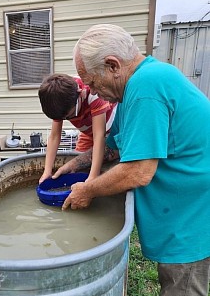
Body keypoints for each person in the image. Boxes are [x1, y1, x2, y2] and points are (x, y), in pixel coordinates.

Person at [53, 24, 210, 296]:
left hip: (191, 215)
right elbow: (114, 147)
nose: (91, 91)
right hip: (179, 204)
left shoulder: (146, 86)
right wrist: (74, 165)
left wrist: (86, 190)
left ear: (113, 65)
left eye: (91, 82)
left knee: (181, 285)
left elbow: (138, 171)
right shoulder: (133, 88)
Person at [38, 73, 117, 183]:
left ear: (80, 94)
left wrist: (93, 177)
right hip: (87, 132)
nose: (67, 119)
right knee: (77, 166)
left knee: (101, 167)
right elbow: (55, 136)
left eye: (69, 116)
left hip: (108, 131)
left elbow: (99, 137)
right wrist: (47, 171)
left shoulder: (93, 94)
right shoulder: (57, 97)